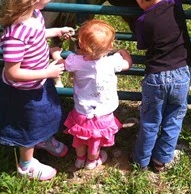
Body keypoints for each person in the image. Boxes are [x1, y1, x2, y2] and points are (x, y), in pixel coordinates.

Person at [0, 0, 75, 181]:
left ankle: (42, 138)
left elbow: (37, 34)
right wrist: (47, 72)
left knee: (45, 113)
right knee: (28, 124)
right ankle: (26, 164)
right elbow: (13, 73)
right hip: (24, 91)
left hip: (39, 80)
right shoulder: (15, 33)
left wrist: (55, 31)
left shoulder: (34, 15)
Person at [126, 0, 191, 172]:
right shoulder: (174, 5)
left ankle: (141, 160)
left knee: (150, 121)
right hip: (181, 73)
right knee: (174, 118)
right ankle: (161, 160)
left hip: (155, 76)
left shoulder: (143, 20)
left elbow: (143, 44)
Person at [51, 19, 132, 170]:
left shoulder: (75, 61)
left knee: (81, 138)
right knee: (95, 140)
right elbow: (128, 64)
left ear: (80, 45)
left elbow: (61, 62)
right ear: (110, 47)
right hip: (103, 112)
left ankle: (80, 158)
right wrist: (124, 53)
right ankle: (92, 160)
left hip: (82, 110)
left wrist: (55, 52)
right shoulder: (112, 62)